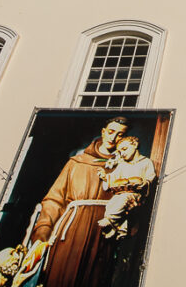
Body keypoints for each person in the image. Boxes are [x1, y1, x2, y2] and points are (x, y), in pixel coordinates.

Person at [16, 117, 134, 287]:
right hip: (71, 230)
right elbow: (54, 199)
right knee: (61, 275)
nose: (114, 138)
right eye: (111, 132)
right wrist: (43, 229)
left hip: (103, 232)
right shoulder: (76, 163)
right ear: (103, 132)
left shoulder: (124, 168)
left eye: (120, 135)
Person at [96, 135, 156, 240]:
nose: (122, 153)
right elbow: (114, 176)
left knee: (123, 202)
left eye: (124, 149)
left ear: (135, 145)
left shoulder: (146, 162)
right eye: (120, 152)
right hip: (122, 192)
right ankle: (120, 230)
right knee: (111, 204)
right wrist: (105, 176)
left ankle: (110, 220)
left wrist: (144, 183)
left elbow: (151, 177)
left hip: (135, 194)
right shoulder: (123, 164)